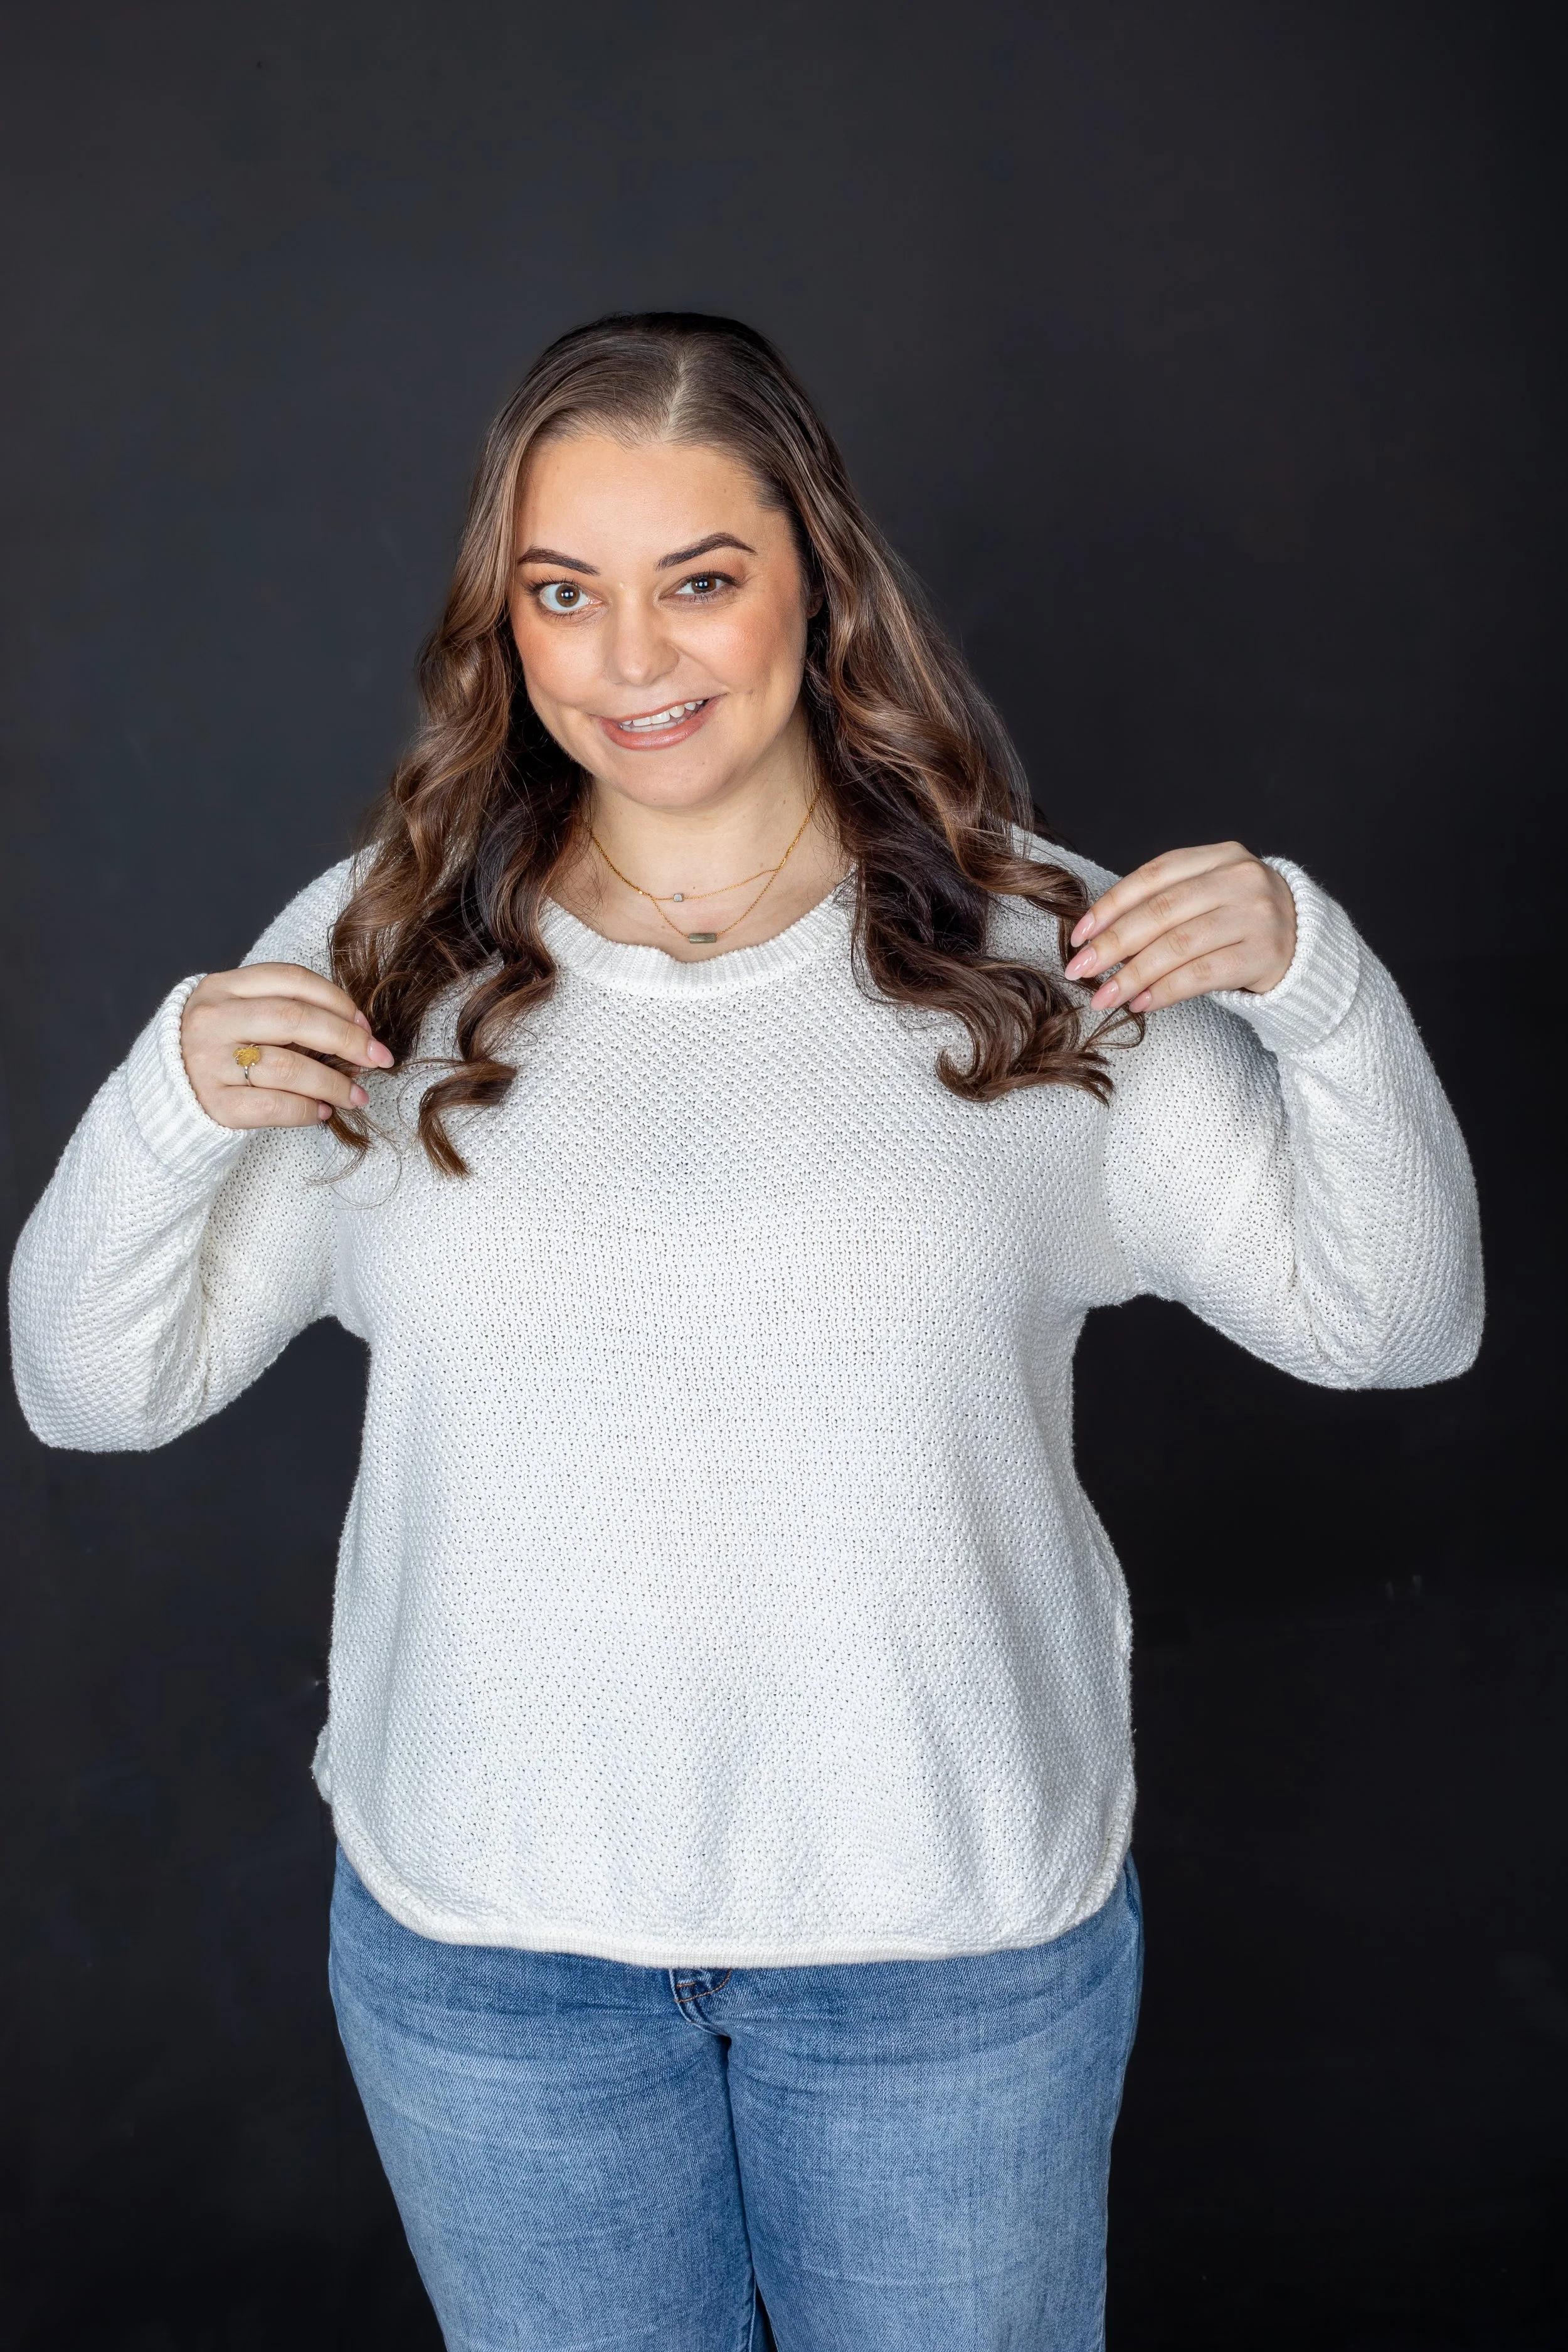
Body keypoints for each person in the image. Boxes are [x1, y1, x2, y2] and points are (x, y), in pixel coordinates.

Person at [9, 313, 1483, 2352]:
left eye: (699, 579)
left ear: (817, 583)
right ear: (501, 623)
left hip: (944, 1958)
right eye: (563, 592)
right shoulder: (382, 949)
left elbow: (1398, 1325)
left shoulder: (1029, 946)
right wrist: (164, 1093)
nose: (633, 661)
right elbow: (91, 1391)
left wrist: (1316, 977)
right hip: (495, 1966)